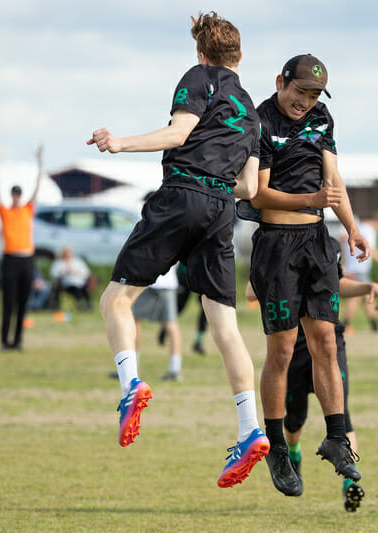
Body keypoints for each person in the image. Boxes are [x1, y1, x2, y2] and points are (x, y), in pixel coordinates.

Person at [87, 11, 269, 488]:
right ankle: (250, 428)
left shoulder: (198, 77)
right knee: (223, 324)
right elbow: (249, 185)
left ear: (202, 54)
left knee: (115, 299)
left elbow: (179, 133)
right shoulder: (251, 110)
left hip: (182, 194)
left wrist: (119, 143)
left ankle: (131, 386)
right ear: (240, 57)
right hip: (221, 207)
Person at [247, 54, 370, 496]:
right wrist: (310, 198)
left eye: (315, 94)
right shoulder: (258, 121)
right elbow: (257, 194)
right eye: (301, 92)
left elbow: (333, 179)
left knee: (325, 343)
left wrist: (352, 227)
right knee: (281, 350)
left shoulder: (323, 118)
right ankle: (277, 447)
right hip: (277, 246)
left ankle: (337, 437)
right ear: (281, 82)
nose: (307, 101)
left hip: (319, 243)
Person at [248, 236, 378, 511]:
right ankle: (293, 452)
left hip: (329, 343)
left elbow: (337, 286)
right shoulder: (275, 241)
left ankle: (350, 483)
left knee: (342, 414)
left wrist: (366, 287)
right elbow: (252, 293)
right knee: (295, 418)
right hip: (295, 347)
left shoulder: (326, 245)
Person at [0, 144, 43, 351]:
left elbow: (37, 188)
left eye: (18, 194)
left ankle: (18, 341)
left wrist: (40, 162)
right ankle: (5, 341)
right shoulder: (5, 211)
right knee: (8, 302)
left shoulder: (27, 209)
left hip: (26, 259)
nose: (16, 197)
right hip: (10, 259)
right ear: (10, 195)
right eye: (13, 194)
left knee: (23, 302)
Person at [341, 211, 378, 334]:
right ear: (377, 221)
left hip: (352, 268)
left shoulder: (356, 229)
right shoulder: (369, 230)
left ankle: (374, 325)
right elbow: (371, 249)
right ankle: (344, 326)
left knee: (368, 297)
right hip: (360, 269)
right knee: (355, 298)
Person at [132, 264, 183, 381]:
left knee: (135, 322)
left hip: (151, 282)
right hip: (169, 283)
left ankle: (132, 369)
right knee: (171, 324)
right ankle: (175, 369)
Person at [50, 246, 92, 311]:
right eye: (66, 253)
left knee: (83, 290)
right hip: (66, 284)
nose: (67, 254)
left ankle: (88, 305)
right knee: (75, 289)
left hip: (79, 282)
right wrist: (63, 273)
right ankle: (80, 304)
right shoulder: (58, 263)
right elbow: (54, 274)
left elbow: (86, 272)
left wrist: (76, 272)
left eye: (69, 253)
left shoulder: (78, 261)